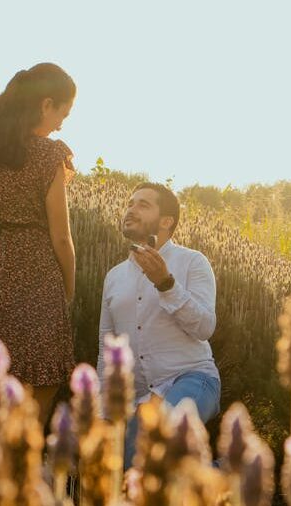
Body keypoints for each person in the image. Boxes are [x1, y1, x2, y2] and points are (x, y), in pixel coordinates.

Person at [0, 63, 77, 425]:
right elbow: (61, 235)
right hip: (34, 273)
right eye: (62, 114)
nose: (60, 125)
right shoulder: (47, 155)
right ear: (45, 104)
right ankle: (21, 456)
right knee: (46, 378)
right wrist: (68, 287)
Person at [97, 182, 221, 469]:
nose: (131, 209)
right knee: (131, 477)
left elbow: (205, 327)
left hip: (192, 379)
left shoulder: (193, 262)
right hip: (141, 400)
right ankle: (222, 478)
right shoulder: (114, 277)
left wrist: (166, 284)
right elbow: (106, 350)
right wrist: (104, 412)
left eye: (143, 204)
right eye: (130, 203)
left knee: (159, 443)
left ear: (167, 221)